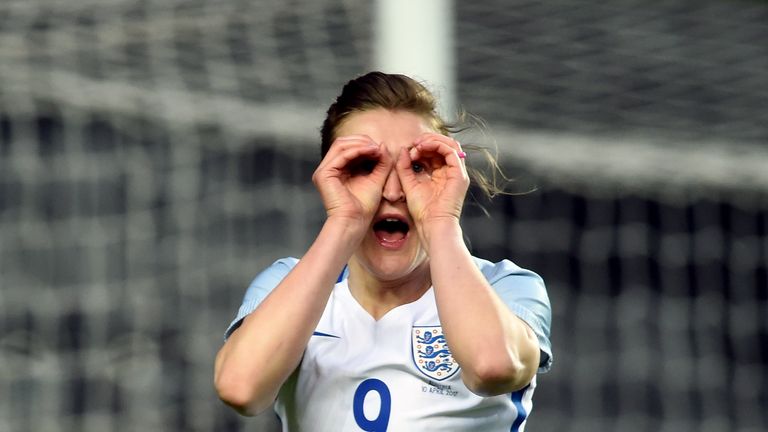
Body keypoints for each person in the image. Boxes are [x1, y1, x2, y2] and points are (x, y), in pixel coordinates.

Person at [214, 71, 553, 431]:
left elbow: (493, 368)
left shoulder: (506, 286)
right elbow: (241, 389)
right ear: (330, 176)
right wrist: (344, 220)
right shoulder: (288, 282)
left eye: (418, 166)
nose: (392, 191)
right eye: (364, 166)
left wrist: (440, 220)